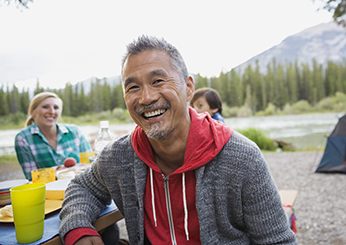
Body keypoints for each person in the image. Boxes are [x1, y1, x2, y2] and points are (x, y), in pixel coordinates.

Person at [59, 36, 297, 245]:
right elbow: (83, 187)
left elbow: (277, 240)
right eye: (133, 87)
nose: (146, 97)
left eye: (158, 81)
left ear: (188, 88)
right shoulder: (119, 156)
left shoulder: (241, 157)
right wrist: (77, 226)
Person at [14, 92, 93, 180]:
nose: (52, 111)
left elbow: (91, 165)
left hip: (80, 185)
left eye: (56, 107)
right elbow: (32, 178)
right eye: (45, 107)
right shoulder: (23, 138)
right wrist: (60, 173)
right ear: (32, 112)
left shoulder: (75, 131)